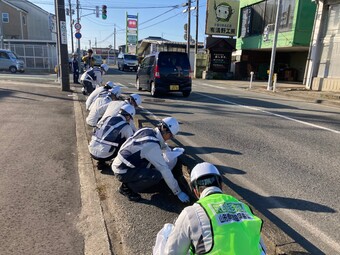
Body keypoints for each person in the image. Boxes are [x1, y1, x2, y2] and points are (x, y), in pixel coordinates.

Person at [153, 162, 267, 255]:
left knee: (167, 231)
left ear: (195, 191)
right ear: (221, 185)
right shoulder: (244, 207)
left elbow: (172, 252)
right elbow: (262, 249)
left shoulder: (191, 213)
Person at [111, 117, 190, 203]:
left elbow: (159, 143)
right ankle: (126, 188)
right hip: (123, 171)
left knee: (152, 165)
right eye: (171, 136)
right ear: (168, 133)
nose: (169, 138)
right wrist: (178, 192)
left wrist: (169, 150)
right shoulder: (152, 146)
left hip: (120, 163)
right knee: (156, 176)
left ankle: (131, 181)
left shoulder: (147, 130)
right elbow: (164, 169)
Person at [88, 104, 135, 170]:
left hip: (91, 150)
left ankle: (101, 163)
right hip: (107, 155)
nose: (130, 120)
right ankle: (116, 163)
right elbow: (131, 142)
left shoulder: (107, 118)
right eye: (130, 118)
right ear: (128, 116)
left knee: (105, 138)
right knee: (126, 141)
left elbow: (95, 130)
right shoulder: (126, 126)